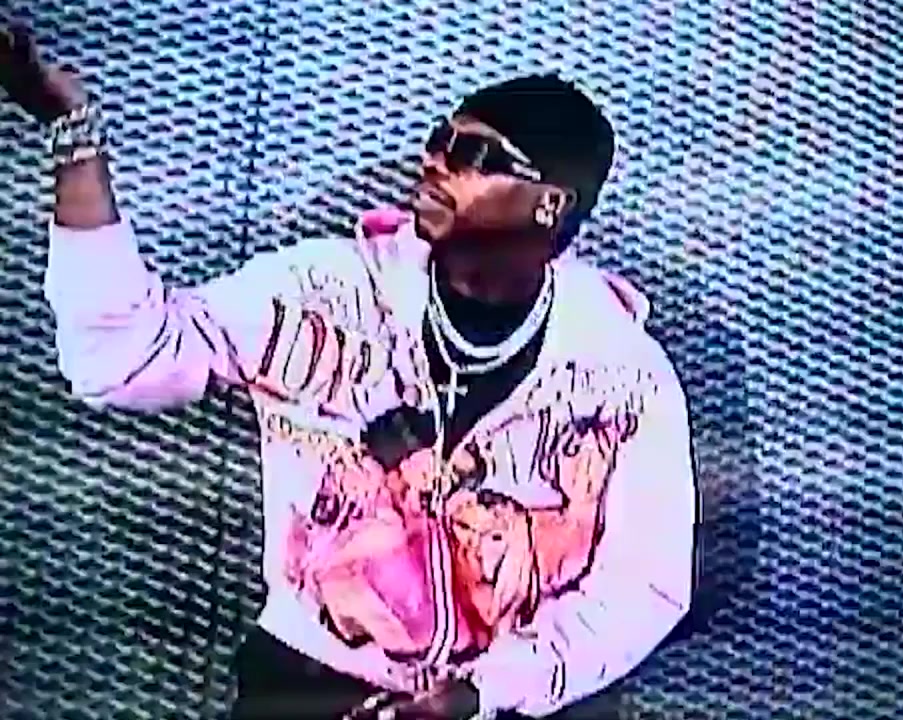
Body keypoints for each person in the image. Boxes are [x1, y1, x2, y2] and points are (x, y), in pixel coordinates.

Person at [1, 25, 697, 720]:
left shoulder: (620, 374)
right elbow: (120, 358)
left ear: (549, 203)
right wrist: (75, 142)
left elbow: (643, 589)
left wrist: (483, 692)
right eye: (439, 140)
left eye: (475, 154)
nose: (435, 161)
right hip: (310, 689)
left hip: (509, 703)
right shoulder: (324, 293)